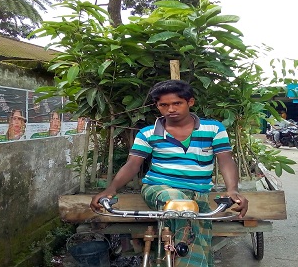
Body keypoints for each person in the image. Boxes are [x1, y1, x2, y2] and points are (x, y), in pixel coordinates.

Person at [90, 80, 248, 266]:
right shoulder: (148, 133)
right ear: (157, 106)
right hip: (159, 189)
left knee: (200, 239)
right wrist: (111, 190)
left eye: (177, 103)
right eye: (163, 105)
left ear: (190, 102)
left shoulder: (213, 129)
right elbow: (132, 165)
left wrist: (232, 190)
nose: (170, 109)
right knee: (180, 204)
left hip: (198, 194)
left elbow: (226, 159)